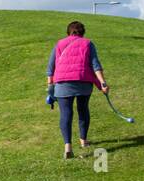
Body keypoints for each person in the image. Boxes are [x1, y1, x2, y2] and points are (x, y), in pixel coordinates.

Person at [46, 21, 109, 159]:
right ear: (83, 32)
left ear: (68, 32)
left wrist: (50, 86)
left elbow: (51, 67)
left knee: (66, 113)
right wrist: (103, 83)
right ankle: (83, 140)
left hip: (63, 83)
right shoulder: (88, 43)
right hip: (83, 82)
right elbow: (95, 65)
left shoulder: (60, 44)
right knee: (83, 109)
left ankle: (68, 147)